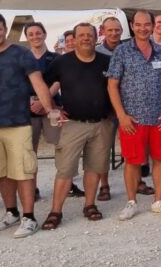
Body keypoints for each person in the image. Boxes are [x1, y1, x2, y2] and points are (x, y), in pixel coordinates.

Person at [0, 12, 57, 238]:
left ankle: (29, 217)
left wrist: (50, 111)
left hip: (19, 122)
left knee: (24, 171)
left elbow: (38, 83)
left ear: (5, 29)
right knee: (3, 172)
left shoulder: (21, 53)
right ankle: (11, 212)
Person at [107, 9, 161, 220]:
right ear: (132, 25)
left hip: (159, 118)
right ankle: (131, 202)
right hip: (132, 119)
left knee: (160, 158)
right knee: (132, 161)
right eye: (138, 25)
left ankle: (158, 200)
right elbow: (112, 85)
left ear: (152, 25)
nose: (143, 28)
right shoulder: (122, 51)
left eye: (147, 24)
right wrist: (121, 115)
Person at [41, 22, 113, 228]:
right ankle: (56, 211)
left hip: (102, 124)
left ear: (95, 37)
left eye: (89, 35)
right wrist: (52, 110)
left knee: (94, 168)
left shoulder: (107, 61)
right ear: (74, 38)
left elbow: (116, 88)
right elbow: (43, 85)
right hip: (73, 124)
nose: (85, 38)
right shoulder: (62, 62)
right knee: (65, 169)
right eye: (81, 35)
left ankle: (89, 205)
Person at [24, 22, 60, 200]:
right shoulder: (22, 58)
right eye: (31, 34)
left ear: (45, 34)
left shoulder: (55, 57)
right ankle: (32, 188)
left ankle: (66, 183)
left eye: (38, 33)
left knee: (61, 143)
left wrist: (43, 99)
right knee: (31, 150)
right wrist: (33, 102)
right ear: (27, 37)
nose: (35, 37)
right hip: (28, 109)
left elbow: (59, 80)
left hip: (52, 107)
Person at [93, 15, 124, 202]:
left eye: (117, 30)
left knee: (130, 147)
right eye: (110, 30)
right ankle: (104, 185)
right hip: (104, 107)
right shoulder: (96, 52)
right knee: (102, 148)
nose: (114, 33)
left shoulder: (129, 49)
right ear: (103, 31)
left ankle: (136, 182)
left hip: (126, 105)